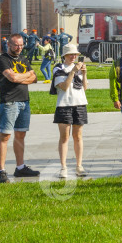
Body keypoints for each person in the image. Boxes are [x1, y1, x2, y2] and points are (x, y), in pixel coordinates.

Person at [0, 33, 39, 183]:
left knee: (20, 135)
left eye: (21, 45)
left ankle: (20, 168)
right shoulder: (2, 60)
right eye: (16, 45)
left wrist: (21, 77)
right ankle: (1, 171)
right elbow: (11, 78)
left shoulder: (23, 59)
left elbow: (35, 78)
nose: (19, 48)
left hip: (24, 102)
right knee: (5, 135)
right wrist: (26, 75)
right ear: (9, 45)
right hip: (9, 102)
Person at [52, 44, 88, 179]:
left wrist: (84, 73)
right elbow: (65, 87)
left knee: (78, 136)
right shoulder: (59, 68)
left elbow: (84, 88)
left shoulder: (78, 68)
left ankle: (79, 165)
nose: (74, 57)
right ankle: (63, 167)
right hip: (64, 105)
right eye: (71, 54)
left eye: (76, 55)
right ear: (64, 55)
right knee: (64, 137)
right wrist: (73, 71)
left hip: (80, 104)